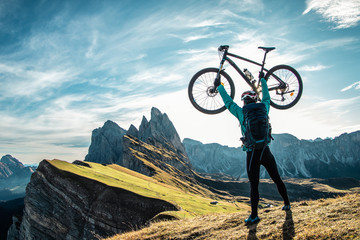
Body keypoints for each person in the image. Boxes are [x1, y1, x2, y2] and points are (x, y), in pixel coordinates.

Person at [215, 74, 291, 224]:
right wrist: (263, 80)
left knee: (254, 185)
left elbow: (228, 102)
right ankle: (287, 204)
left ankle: (254, 215)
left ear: (244, 101)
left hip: (252, 153)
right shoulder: (264, 108)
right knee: (276, 178)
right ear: (255, 99)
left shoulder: (241, 112)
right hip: (266, 151)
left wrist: (219, 86)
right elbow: (267, 97)